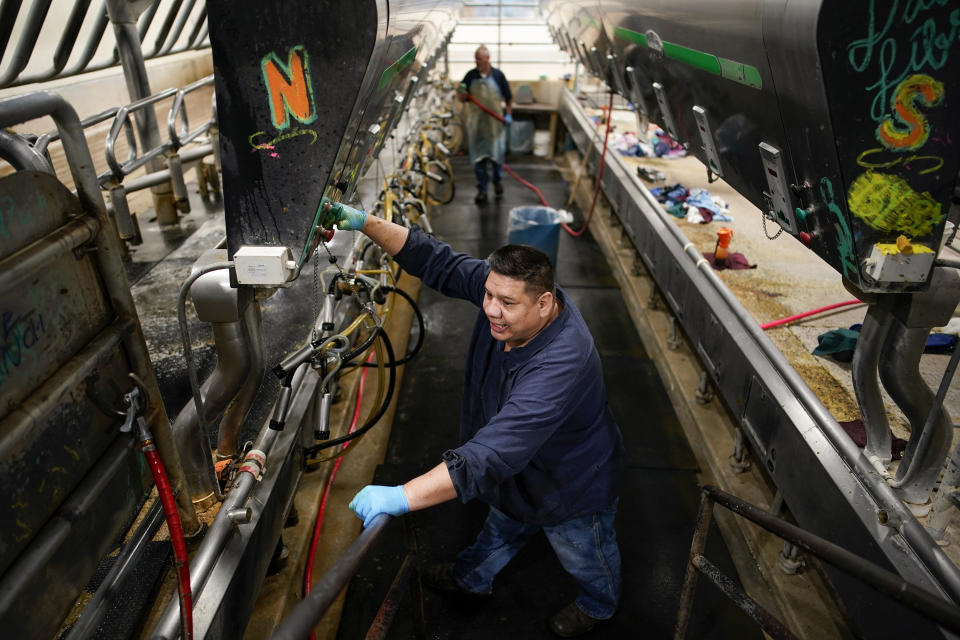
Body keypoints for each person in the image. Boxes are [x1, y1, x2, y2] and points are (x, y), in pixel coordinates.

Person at [321, 204, 625, 638]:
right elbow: (437, 261)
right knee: (501, 525)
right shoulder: (508, 302)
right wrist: (365, 222)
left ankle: (599, 605)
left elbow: (492, 453)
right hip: (519, 475)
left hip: (570, 480)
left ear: (544, 302)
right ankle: (471, 578)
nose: (492, 311)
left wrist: (403, 496)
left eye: (506, 303)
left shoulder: (562, 363)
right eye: (488, 295)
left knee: (584, 552)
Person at [458, 45, 512, 205]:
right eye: (475, 58)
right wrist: (461, 92)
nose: (477, 62)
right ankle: (482, 189)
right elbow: (462, 98)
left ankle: (497, 182)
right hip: (477, 126)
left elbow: (508, 98)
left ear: (488, 59)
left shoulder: (498, 75)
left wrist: (508, 114)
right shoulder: (470, 76)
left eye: (479, 59)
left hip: (495, 125)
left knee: (497, 157)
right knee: (479, 160)